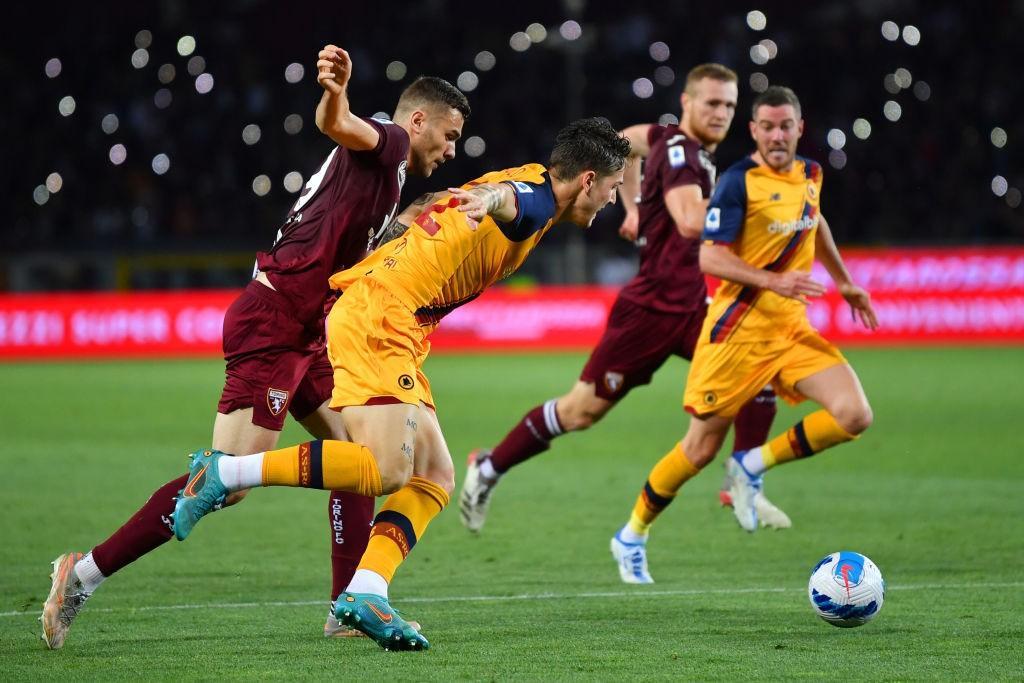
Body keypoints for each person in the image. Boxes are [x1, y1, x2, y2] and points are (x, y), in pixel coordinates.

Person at [40, 44, 469, 650]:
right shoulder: (391, 141)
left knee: (358, 459)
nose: (451, 151)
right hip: (274, 325)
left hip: (311, 330)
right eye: (449, 136)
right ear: (418, 120)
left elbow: (355, 233)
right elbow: (337, 125)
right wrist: (335, 93)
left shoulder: (390, 174)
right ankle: (81, 572)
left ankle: (347, 603)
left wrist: (419, 218)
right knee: (224, 482)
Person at [168, 117, 631, 650]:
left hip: (391, 316)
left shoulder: (528, 175)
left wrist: (400, 239)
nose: (613, 201)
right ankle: (225, 473)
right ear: (589, 180)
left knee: (434, 475)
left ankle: (366, 590)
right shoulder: (538, 198)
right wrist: (495, 201)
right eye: (614, 189)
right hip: (382, 316)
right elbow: (515, 201)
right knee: (387, 470)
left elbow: (436, 199)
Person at [457, 65, 789, 571]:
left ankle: (741, 481)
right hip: (650, 312)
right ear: (687, 102)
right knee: (580, 412)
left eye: (728, 105)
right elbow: (689, 220)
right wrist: (762, 210)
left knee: (759, 368)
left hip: (694, 306)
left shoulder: (667, 139)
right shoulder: (682, 153)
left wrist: (633, 205)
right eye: (711, 104)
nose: (720, 113)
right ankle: (489, 466)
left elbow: (625, 143)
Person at [610, 85, 878, 579]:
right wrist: (776, 280)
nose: (777, 135)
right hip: (736, 334)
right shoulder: (738, 183)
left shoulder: (811, 174)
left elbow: (814, 220)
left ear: (800, 128)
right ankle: (632, 534)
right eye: (767, 127)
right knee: (700, 450)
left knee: (854, 414)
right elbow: (710, 255)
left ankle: (753, 464)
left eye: (786, 126)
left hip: (790, 331)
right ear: (754, 131)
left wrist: (844, 282)